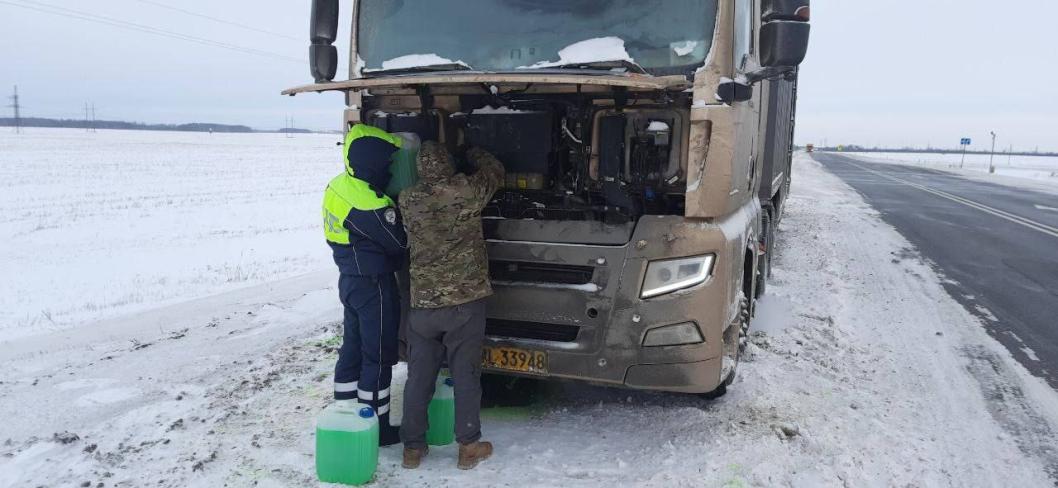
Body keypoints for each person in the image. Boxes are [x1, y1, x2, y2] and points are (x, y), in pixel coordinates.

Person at [398, 142, 505, 470]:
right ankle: (469, 446)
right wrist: (473, 152)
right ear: (449, 164)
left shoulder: (408, 199)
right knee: (465, 374)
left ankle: (412, 449)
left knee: (418, 377)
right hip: (463, 304)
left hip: (423, 306)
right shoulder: (466, 190)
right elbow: (495, 172)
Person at [322, 124, 407, 446]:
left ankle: (345, 414)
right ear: (372, 160)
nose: (389, 168)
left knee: (353, 349)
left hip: (349, 279)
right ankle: (377, 426)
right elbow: (398, 244)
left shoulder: (338, 185)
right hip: (374, 285)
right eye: (386, 161)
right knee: (378, 356)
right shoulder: (369, 203)